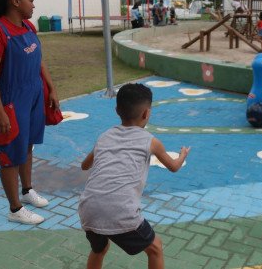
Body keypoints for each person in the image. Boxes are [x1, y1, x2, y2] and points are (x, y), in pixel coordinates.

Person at [78, 83, 191, 269]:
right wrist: (182, 155)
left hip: (88, 209)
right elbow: (173, 167)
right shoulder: (151, 141)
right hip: (120, 211)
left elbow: (84, 165)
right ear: (146, 113)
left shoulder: (105, 136)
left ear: (117, 110)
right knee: (155, 248)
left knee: (99, 249)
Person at [0, 0, 59, 224]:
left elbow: (40, 60)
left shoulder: (28, 27)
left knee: (28, 144)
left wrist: (51, 88)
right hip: (10, 101)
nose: (33, 5)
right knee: (10, 154)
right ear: (15, 1)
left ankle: (27, 190)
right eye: (30, 0)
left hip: (33, 94)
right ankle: (15, 209)